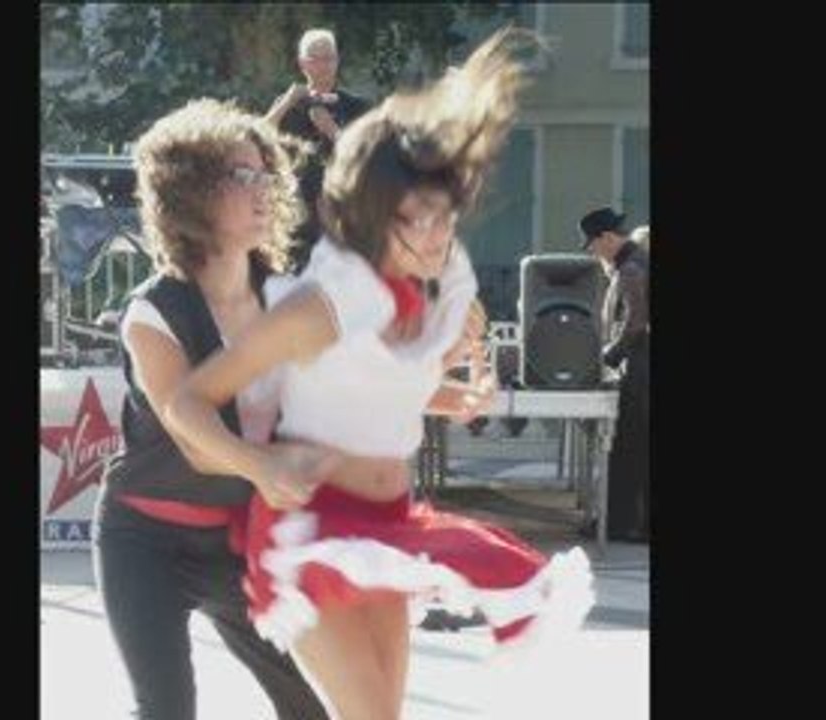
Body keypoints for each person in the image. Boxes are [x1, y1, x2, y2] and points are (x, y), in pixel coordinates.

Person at [167, 28, 594, 720]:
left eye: (441, 218)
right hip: (311, 530)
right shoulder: (319, 305)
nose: (431, 236)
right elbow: (190, 400)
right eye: (411, 220)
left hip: (390, 524)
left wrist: (451, 397)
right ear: (369, 216)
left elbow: (365, 388)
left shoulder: (408, 293)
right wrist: (257, 466)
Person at [91, 98, 331, 720]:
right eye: (240, 176)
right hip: (142, 540)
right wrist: (267, 467)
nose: (262, 191)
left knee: (311, 704)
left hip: (238, 540)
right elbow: (192, 433)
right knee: (167, 710)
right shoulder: (153, 310)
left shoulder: (288, 298)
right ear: (189, 193)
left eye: (265, 175)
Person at [265, 28, 371, 271]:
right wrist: (286, 104)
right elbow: (254, 139)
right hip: (296, 221)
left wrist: (332, 130)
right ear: (302, 64)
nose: (323, 65)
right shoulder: (288, 105)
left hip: (344, 219)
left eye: (329, 58)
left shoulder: (358, 107)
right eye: (315, 58)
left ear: (337, 61)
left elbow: (368, 159)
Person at [579, 207, 650, 542]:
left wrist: (609, 355)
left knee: (629, 449)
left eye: (593, 244)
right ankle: (625, 522)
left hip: (639, 372)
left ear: (607, 238)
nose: (593, 251)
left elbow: (635, 324)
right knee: (631, 449)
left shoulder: (631, 268)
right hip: (639, 369)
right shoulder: (633, 262)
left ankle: (625, 524)